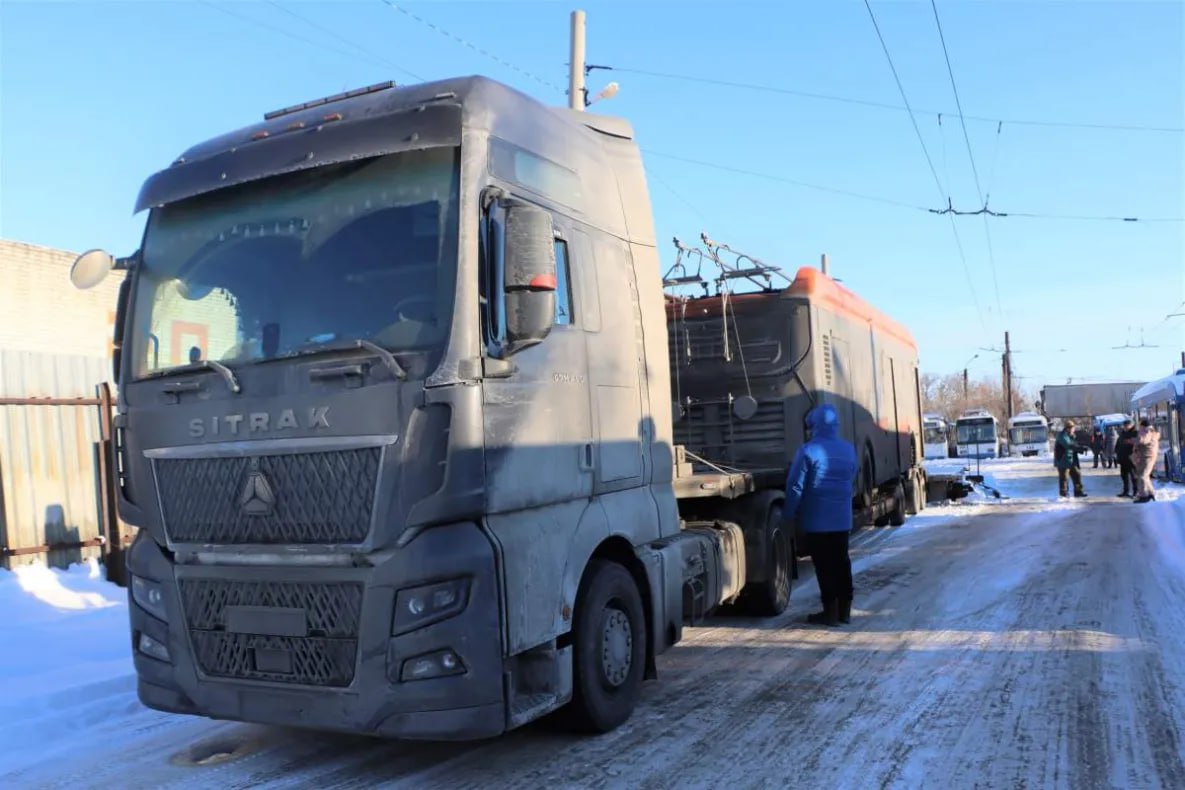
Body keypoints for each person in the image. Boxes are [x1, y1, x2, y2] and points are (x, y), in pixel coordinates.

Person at [782, 404, 858, 627]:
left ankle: (830, 612)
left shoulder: (807, 451)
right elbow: (852, 476)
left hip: (816, 520)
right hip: (842, 519)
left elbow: (796, 487)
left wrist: (788, 515)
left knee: (824, 566)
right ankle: (845, 611)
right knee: (842, 562)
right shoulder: (849, 449)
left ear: (813, 425)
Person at [1054, 419, 1087, 498]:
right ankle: (1063, 494)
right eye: (1073, 428)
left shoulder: (1071, 436)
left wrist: (1081, 448)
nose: (1074, 430)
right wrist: (1080, 448)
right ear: (1068, 428)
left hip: (1070, 460)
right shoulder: (1062, 436)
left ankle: (1078, 492)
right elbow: (1069, 445)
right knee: (1064, 478)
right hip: (1063, 460)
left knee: (1077, 474)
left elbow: (1074, 446)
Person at [1132, 419, 1161, 503]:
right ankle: (1151, 493)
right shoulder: (1150, 431)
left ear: (1143, 426)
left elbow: (1143, 440)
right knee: (1145, 476)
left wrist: (1133, 440)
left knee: (1142, 476)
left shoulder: (1147, 432)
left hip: (1148, 457)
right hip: (1146, 456)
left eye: (1140, 425)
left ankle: (1144, 496)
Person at [1115, 419, 1138, 498]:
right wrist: (1117, 452)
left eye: (1126, 425)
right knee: (1124, 476)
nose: (1125, 427)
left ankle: (1136, 491)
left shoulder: (1135, 433)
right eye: (1124, 426)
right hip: (1123, 458)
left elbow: (1137, 445)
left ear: (1131, 425)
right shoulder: (1122, 433)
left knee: (1133, 476)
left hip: (1131, 458)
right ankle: (1126, 491)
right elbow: (1118, 444)